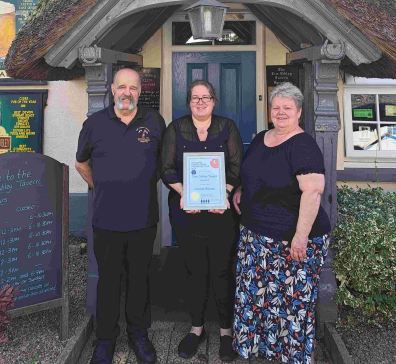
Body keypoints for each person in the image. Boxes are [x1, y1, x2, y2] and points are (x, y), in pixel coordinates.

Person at [232, 82, 331, 364]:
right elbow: (253, 174)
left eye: (287, 107)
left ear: (298, 111)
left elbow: (312, 191)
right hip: (255, 236)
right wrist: (242, 190)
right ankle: (263, 351)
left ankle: (292, 356)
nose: (281, 112)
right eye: (276, 107)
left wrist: (301, 236)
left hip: (291, 241)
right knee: (256, 299)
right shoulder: (263, 137)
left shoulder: (303, 145)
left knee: (290, 304)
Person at [75, 68, 165, 364]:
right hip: (106, 220)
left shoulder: (154, 122)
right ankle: (105, 338)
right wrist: (102, 188)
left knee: (140, 279)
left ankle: (138, 334)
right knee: (109, 281)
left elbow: (165, 164)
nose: (127, 92)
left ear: (140, 91)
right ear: (112, 89)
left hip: (143, 219)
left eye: (133, 87)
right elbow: (81, 163)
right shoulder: (94, 124)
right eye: (122, 87)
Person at [161, 80, 243, 362]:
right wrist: (186, 195)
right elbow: (166, 168)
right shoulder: (176, 128)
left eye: (205, 97)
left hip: (221, 215)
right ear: (189, 102)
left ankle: (225, 331)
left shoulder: (227, 127)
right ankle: (196, 329)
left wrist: (225, 194)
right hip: (187, 213)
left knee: (221, 271)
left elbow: (236, 166)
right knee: (194, 272)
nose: (200, 102)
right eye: (195, 98)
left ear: (214, 101)